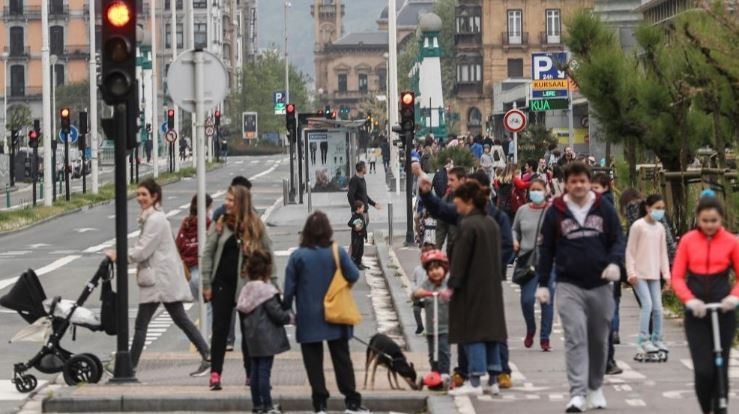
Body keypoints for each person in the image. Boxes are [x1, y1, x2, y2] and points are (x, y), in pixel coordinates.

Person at [536, 161, 624, 412]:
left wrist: (615, 263)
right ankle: (577, 393)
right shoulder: (556, 211)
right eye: (573, 181)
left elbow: (618, 239)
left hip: (600, 284)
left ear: (589, 183)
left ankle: (595, 387)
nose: (578, 186)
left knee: (598, 338)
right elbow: (546, 249)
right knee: (575, 337)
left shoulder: (603, 208)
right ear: (566, 184)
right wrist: (543, 283)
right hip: (568, 284)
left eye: (582, 181)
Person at [106, 178, 210, 377]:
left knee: (141, 325)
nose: (140, 198)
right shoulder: (152, 218)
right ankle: (207, 354)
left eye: (144, 194)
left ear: (155, 197)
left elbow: (143, 251)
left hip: (159, 280)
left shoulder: (155, 220)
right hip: (162, 278)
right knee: (179, 319)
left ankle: (129, 365)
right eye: (138, 194)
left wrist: (118, 255)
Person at [282, 212, 369, 414]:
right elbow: (354, 274)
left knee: (313, 363)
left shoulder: (297, 257)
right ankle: (352, 402)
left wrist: (289, 311)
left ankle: (320, 403)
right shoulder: (336, 251)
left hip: (308, 317)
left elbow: (288, 292)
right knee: (341, 359)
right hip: (336, 314)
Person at [202, 185, 275, 391]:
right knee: (219, 330)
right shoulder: (220, 224)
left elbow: (268, 252)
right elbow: (207, 254)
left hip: (247, 287)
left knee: (248, 330)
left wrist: (273, 285)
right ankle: (215, 373)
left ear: (241, 202)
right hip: (222, 286)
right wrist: (206, 283)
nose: (227, 204)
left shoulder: (255, 225)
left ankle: (250, 372)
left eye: (231, 200)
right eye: (227, 199)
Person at [671, 196, 739, 414]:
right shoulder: (688, 241)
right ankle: (706, 409)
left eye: (714, 220)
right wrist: (689, 300)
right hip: (697, 313)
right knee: (704, 370)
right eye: (705, 220)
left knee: (721, 367)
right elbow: (678, 277)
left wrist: (734, 298)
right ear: (698, 219)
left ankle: (722, 407)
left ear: (721, 220)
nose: (709, 225)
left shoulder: (731, 242)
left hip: (724, 311)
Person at [446, 182, 507, 396]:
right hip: (491, 287)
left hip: (471, 288)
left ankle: (474, 381)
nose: (455, 202)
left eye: (458, 199)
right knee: (491, 332)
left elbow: (460, 259)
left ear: (469, 201)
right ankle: (493, 380)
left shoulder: (467, 225)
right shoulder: (491, 223)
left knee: (473, 334)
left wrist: (452, 284)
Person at [238, 250, 292, 414]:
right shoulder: (266, 291)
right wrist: (289, 318)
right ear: (267, 269)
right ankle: (267, 405)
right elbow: (276, 313)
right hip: (266, 337)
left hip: (252, 337)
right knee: (264, 372)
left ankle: (257, 404)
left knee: (254, 370)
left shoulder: (246, 289)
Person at [626, 194, 671, 362]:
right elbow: (630, 251)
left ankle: (657, 339)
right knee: (648, 305)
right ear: (647, 208)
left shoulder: (660, 228)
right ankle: (643, 340)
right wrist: (631, 272)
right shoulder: (638, 226)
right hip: (639, 275)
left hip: (654, 274)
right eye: (657, 208)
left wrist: (666, 275)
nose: (660, 211)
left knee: (658, 308)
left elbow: (663, 253)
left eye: (662, 208)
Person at [512, 178, 554, 352]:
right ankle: (531, 329)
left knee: (547, 301)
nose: (535, 192)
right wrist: (515, 241)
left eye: (539, 189)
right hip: (527, 261)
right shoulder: (522, 210)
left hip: (548, 261)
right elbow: (514, 229)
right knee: (527, 300)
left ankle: (545, 337)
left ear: (545, 191)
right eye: (532, 189)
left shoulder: (552, 212)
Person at [413, 249, 451, 378]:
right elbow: (415, 294)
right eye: (431, 270)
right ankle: (434, 372)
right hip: (430, 328)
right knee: (432, 352)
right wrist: (421, 293)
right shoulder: (427, 284)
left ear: (444, 268)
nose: (434, 272)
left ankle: (445, 373)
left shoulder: (447, 283)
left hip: (444, 327)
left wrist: (448, 294)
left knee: (443, 351)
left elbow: (453, 293)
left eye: (437, 268)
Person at [176, 193, 214, 304]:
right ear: (205, 208)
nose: (211, 211)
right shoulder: (208, 225)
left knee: (202, 307)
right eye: (210, 207)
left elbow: (178, 246)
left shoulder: (186, 223)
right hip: (203, 272)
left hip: (188, 274)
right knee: (210, 310)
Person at [411, 243, 437, 335]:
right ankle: (420, 326)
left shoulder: (435, 270)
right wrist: (414, 289)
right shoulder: (417, 269)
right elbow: (413, 280)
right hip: (419, 295)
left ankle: (432, 328)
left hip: (430, 296)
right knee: (416, 310)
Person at [347, 161, 382, 229]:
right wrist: (356, 209)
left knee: (363, 229)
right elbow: (350, 195)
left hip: (364, 210)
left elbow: (364, 194)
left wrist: (374, 204)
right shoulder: (354, 180)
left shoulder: (362, 179)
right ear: (362, 169)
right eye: (365, 167)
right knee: (359, 232)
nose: (366, 169)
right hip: (359, 211)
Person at [348, 201, 367, 269]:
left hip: (361, 237)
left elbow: (364, 226)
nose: (363, 209)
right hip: (355, 237)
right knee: (355, 250)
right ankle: (353, 264)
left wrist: (365, 235)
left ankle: (359, 263)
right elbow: (349, 223)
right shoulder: (355, 216)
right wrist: (355, 226)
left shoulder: (361, 216)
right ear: (358, 208)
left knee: (360, 251)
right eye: (362, 208)